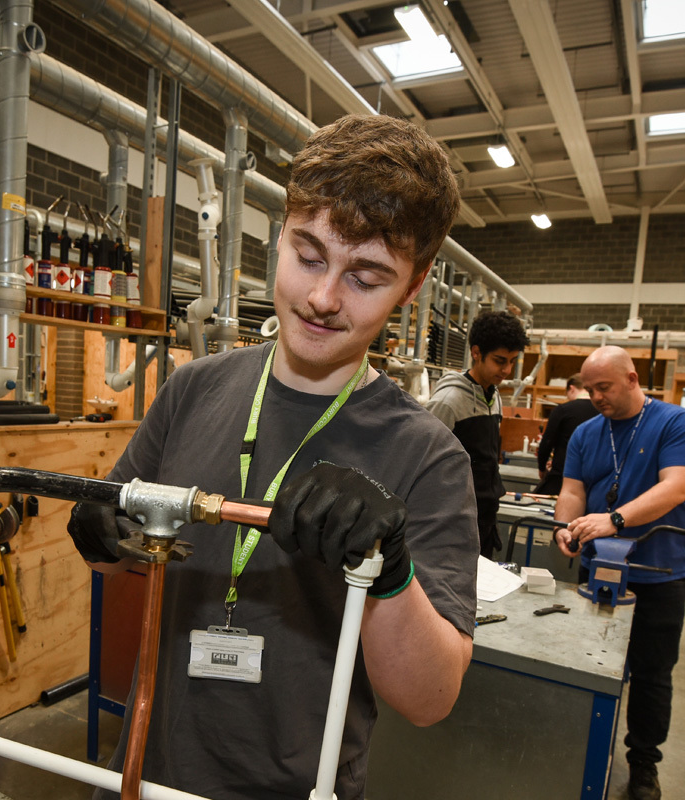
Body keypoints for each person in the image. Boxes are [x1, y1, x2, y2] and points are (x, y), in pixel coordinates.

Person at [67, 114, 478, 800]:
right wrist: (99, 533)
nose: (322, 298)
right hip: (148, 772)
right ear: (278, 237)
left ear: (413, 287)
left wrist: (390, 571)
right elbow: (119, 550)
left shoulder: (428, 454)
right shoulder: (194, 386)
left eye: (366, 276)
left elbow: (430, 698)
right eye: (308, 254)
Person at [552, 346, 685, 800]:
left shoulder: (676, 423)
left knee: (653, 672)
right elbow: (573, 490)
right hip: (600, 569)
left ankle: (643, 764)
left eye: (605, 387)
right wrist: (565, 525)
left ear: (633, 379)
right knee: (590, 664)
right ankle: (582, 747)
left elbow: (675, 488)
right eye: (590, 388)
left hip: (658, 568)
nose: (596, 396)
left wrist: (614, 519)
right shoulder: (585, 433)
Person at [424, 310, 528, 558]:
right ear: (476, 353)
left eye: (512, 361)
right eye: (500, 360)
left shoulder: (492, 395)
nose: (507, 370)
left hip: (486, 517)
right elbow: (423, 464)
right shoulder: (448, 402)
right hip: (455, 524)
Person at [534, 373, 598, 496]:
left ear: (572, 388)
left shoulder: (563, 410)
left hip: (562, 476)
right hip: (591, 479)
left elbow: (547, 442)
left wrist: (542, 468)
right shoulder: (601, 411)